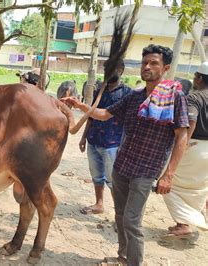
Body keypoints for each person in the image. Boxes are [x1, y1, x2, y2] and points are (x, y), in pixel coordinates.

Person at [62, 44, 189, 266]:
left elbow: (182, 137)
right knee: (120, 216)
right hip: (122, 166)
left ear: (166, 67)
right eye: (144, 62)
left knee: (132, 220)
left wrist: (169, 174)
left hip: (146, 170)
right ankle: (123, 256)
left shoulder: (174, 98)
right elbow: (103, 114)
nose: (147, 67)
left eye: (153, 63)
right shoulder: (134, 96)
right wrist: (79, 105)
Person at [79, 59, 131, 215]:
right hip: (93, 140)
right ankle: (99, 204)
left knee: (113, 180)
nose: (107, 72)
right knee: (96, 175)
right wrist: (83, 137)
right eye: (106, 68)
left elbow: (129, 122)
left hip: (112, 144)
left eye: (112, 68)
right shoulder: (100, 91)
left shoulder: (127, 93)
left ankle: (119, 213)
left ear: (121, 70)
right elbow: (91, 115)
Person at [163, 62, 208, 236]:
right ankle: (189, 220)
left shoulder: (194, 98)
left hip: (193, 147)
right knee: (198, 188)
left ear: (199, 78)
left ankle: (186, 223)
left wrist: (183, 145)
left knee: (168, 183)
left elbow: (190, 124)